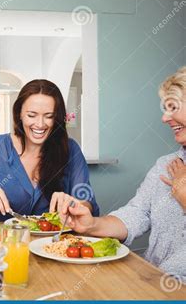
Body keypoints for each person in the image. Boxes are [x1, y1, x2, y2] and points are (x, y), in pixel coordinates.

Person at [61, 66, 186, 280]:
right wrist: (92, 224)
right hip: (152, 280)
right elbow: (138, 212)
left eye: (173, 107)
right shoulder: (166, 164)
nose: (165, 118)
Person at [0, 79, 99, 222]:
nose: (40, 124)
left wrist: (75, 204)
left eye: (49, 116)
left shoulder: (71, 149)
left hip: (54, 243)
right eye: (32, 115)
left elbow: (88, 204)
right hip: (3, 241)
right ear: (19, 113)